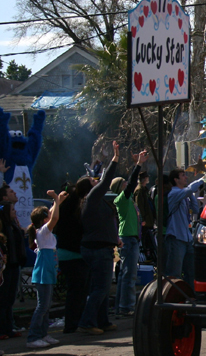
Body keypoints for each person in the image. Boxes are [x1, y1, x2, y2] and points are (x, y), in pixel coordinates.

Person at [77, 141, 121, 335]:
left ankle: (102, 320)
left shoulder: (98, 202)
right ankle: (86, 322)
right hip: (97, 250)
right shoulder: (92, 198)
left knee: (101, 288)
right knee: (101, 288)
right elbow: (105, 182)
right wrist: (115, 159)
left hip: (102, 248)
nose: (96, 181)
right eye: (92, 181)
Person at [25, 189, 67, 349]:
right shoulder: (43, 231)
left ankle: (43, 333)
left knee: (46, 305)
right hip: (43, 273)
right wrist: (56, 200)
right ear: (44, 220)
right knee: (42, 306)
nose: (50, 217)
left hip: (48, 272)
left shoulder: (43, 231)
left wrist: (59, 202)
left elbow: (51, 214)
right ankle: (33, 337)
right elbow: (55, 217)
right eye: (47, 217)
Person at [52, 177, 95, 333]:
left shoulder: (69, 206)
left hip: (70, 253)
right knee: (77, 292)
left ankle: (74, 322)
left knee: (78, 291)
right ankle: (72, 323)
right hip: (74, 253)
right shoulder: (75, 206)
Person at [112, 150, 147, 316]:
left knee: (124, 275)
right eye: (124, 183)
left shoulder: (128, 201)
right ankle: (127, 306)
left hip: (131, 238)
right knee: (129, 274)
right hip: (127, 239)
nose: (128, 184)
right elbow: (133, 182)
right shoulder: (122, 199)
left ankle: (121, 305)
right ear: (120, 187)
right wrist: (138, 164)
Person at [164, 168, 204, 289]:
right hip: (176, 237)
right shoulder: (174, 193)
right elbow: (191, 188)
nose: (186, 177)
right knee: (175, 273)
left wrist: (190, 194)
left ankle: (191, 297)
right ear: (176, 180)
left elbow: (196, 209)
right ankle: (172, 298)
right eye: (183, 175)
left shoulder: (184, 194)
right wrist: (204, 178)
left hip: (187, 238)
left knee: (191, 272)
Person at [0, 198, 26, 340]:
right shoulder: (3, 227)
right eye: (12, 210)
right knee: (3, 299)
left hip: (15, 264)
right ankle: (2, 328)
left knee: (10, 298)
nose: (14, 212)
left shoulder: (13, 225)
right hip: (6, 266)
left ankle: (9, 327)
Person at [134, 171, 156, 261]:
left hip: (148, 220)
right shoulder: (139, 190)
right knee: (145, 241)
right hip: (145, 222)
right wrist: (142, 219)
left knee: (148, 241)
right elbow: (140, 206)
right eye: (147, 177)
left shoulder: (145, 189)